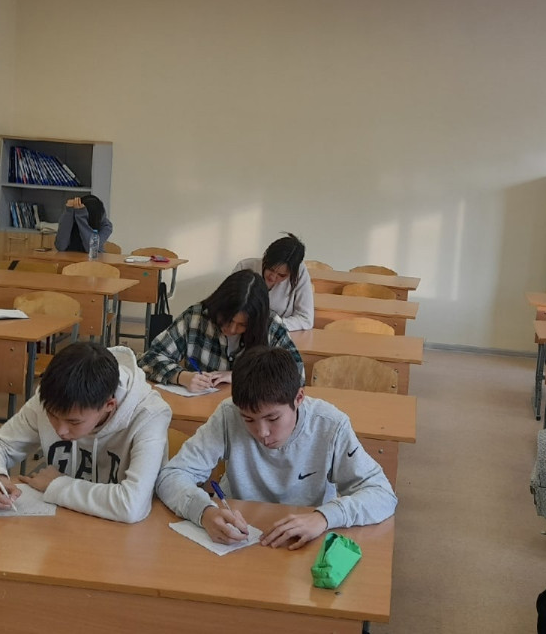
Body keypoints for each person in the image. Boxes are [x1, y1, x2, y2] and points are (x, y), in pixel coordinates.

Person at [155, 347, 397, 548]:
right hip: (239, 537)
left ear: (298, 398)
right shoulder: (229, 414)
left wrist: (324, 517)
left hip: (303, 538)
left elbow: (382, 494)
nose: (262, 432)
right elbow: (172, 475)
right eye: (248, 419)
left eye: (273, 418)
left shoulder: (330, 425)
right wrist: (204, 512)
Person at [0, 342, 170, 523]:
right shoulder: (53, 398)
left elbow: (132, 504)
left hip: (124, 535)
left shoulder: (150, 415)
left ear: (109, 405)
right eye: (52, 416)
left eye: (74, 422)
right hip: (63, 525)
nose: (60, 430)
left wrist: (56, 485)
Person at [140, 269, 305, 392]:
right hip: (200, 407)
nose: (231, 329)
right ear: (218, 306)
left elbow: (296, 375)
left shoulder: (270, 325)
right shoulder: (197, 317)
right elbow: (149, 358)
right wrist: (181, 376)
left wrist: (239, 376)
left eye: (242, 325)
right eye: (227, 319)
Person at [232, 233, 314, 331]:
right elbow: (227, 307)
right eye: (270, 269)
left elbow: (305, 319)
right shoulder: (244, 267)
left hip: (277, 334)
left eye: (282, 275)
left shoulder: (300, 273)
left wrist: (271, 326)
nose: (273, 277)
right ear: (265, 259)